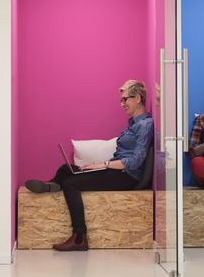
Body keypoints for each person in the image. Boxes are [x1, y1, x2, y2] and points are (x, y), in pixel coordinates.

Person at [25, 80, 154, 252]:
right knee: (66, 169)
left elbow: (136, 161)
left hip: (126, 176)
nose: (122, 104)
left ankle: (79, 238)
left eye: (125, 99)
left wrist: (104, 164)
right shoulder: (133, 124)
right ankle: (52, 185)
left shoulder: (145, 125)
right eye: (121, 100)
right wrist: (98, 167)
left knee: (71, 183)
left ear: (137, 98)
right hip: (116, 171)